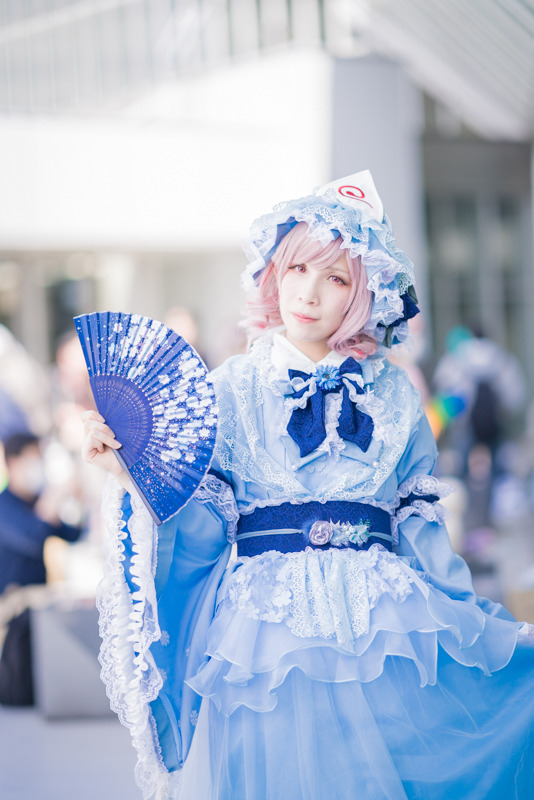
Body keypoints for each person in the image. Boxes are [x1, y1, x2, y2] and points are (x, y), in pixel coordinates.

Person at [82, 171, 534, 800]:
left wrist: (487, 630)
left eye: (336, 277)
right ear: (273, 273)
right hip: (268, 638)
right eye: (296, 269)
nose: (310, 293)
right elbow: (201, 529)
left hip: (383, 630)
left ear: (362, 294)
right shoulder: (231, 389)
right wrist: (131, 476)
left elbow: (422, 535)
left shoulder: (396, 395)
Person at [0, 432, 83, 705]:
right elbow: (34, 537)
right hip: (12, 603)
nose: (39, 466)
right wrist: (52, 500)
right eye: (33, 459)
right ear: (13, 463)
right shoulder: (5, 506)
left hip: (37, 602)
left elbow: (72, 534)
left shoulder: (35, 501)